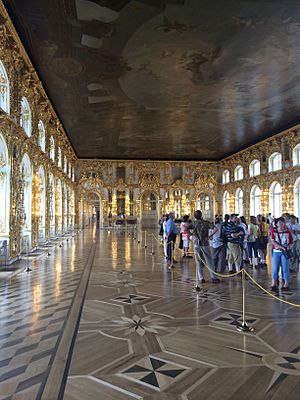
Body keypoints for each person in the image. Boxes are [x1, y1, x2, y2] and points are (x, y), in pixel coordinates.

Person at [188, 210, 220, 283]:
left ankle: (201, 278)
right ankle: (213, 277)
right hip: (205, 243)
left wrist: (191, 235)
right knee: (209, 260)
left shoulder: (193, 223)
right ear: (201, 215)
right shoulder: (206, 223)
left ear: (194, 216)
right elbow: (215, 229)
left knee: (198, 261)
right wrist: (209, 236)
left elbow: (186, 229)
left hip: (197, 244)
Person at [270, 217, 293, 291]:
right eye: (279, 222)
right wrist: (282, 247)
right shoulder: (274, 232)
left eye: (283, 222)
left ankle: (286, 283)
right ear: (276, 224)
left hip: (285, 252)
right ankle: (274, 282)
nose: (281, 224)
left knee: (285, 268)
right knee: (275, 268)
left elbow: (291, 241)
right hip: (277, 251)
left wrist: (289, 246)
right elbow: (273, 242)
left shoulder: (288, 232)